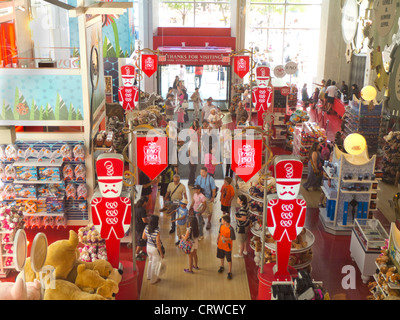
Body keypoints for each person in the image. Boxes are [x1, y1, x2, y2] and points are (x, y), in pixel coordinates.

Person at [142, 215, 164, 284]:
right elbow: (158, 243)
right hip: (154, 249)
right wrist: (161, 253)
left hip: (148, 247)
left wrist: (149, 237)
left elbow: (143, 237)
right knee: (155, 264)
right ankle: (153, 280)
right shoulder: (157, 230)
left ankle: (148, 276)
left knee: (150, 261)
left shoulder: (146, 227)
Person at [217, 215, 236, 280]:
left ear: (225, 222)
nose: (221, 221)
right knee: (221, 256)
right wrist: (217, 239)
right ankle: (222, 266)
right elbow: (219, 233)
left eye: (222, 220)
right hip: (220, 245)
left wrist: (225, 239)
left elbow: (233, 238)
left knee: (228, 259)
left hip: (227, 247)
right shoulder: (221, 226)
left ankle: (229, 271)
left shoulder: (231, 229)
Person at [135, 196, 148, 261]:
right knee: (140, 241)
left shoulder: (136, 208)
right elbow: (144, 220)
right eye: (146, 202)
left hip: (137, 226)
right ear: (144, 202)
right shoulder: (142, 209)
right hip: (141, 227)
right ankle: (136, 255)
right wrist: (150, 221)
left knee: (141, 240)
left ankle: (141, 251)